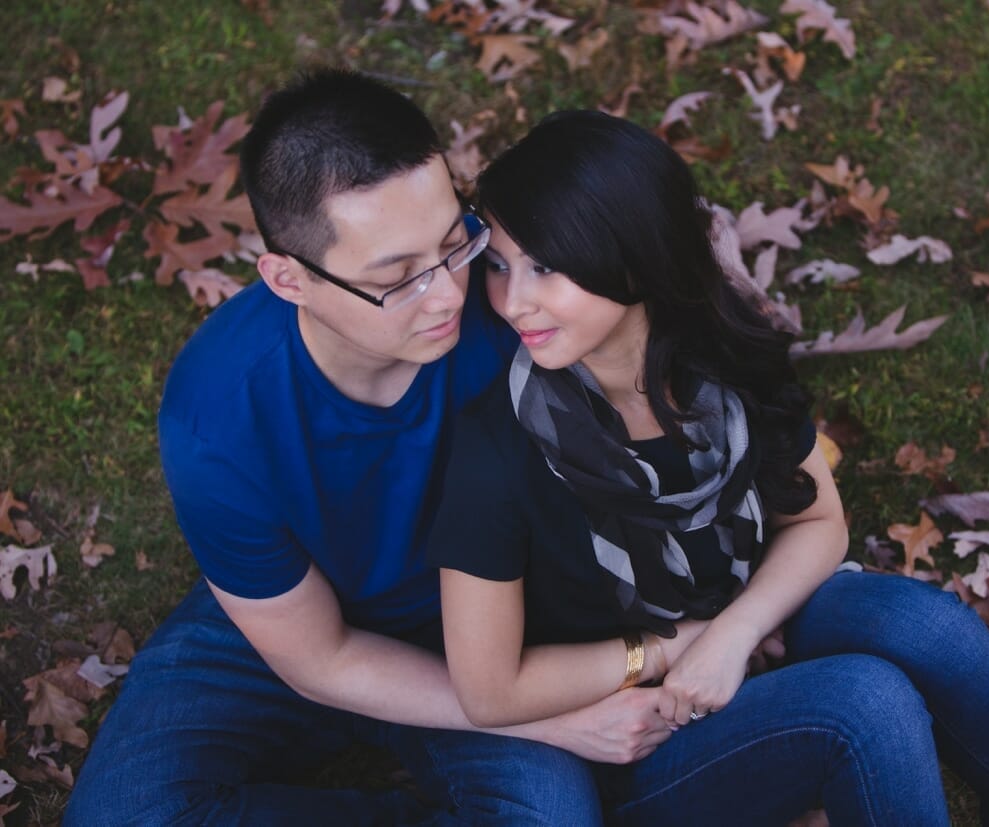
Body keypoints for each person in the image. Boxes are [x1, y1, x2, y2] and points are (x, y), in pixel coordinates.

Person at [427, 110, 989, 826]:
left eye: (546, 266)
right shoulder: (499, 445)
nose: (512, 299)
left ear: (634, 254)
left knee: (927, 627)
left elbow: (819, 520)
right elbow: (487, 689)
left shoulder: (721, 351)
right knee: (867, 703)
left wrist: (733, 633)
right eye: (498, 263)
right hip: (624, 735)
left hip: (744, 632)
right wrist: (677, 649)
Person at [65, 71, 668, 826]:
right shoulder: (217, 413)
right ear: (289, 279)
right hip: (290, 612)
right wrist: (539, 720)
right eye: (399, 277)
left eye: (453, 243)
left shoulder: (514, 307)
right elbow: (320, 658)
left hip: (489, 622)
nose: (450, 293)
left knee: (546, 817)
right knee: (120, 813)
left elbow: (668, 383)